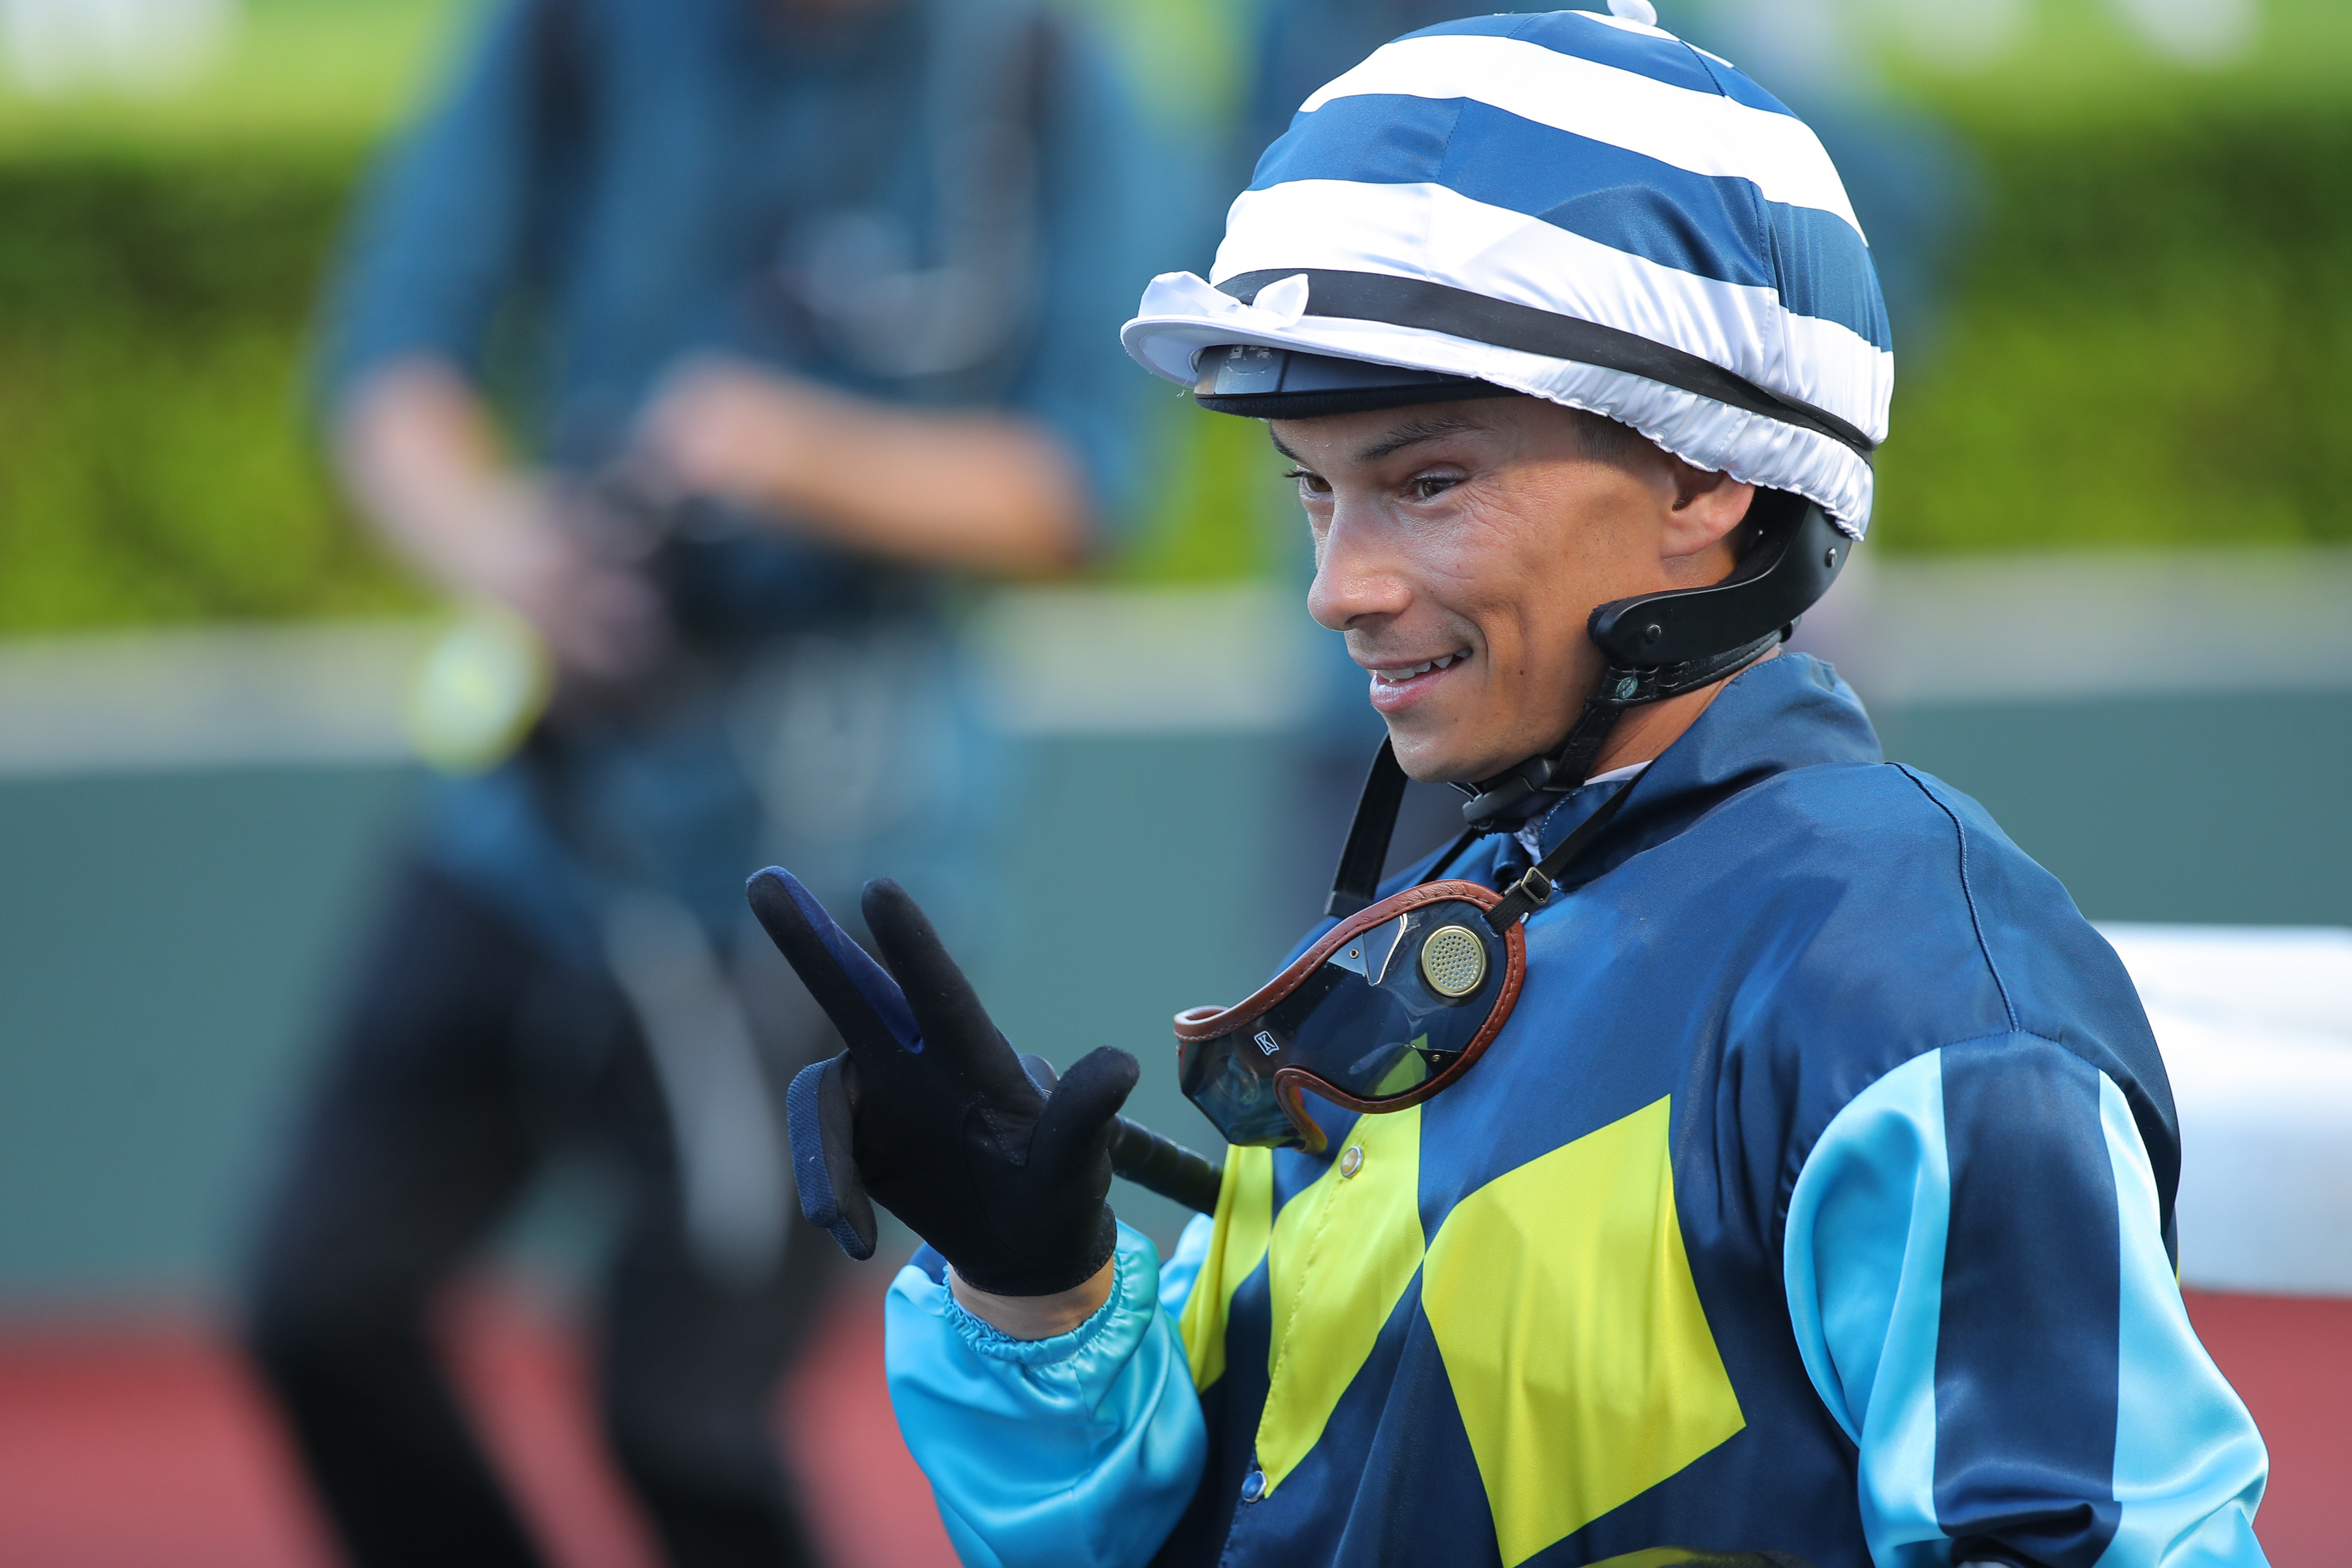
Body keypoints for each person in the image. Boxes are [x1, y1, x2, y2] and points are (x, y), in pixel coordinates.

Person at [742, 5, 2273, 1566]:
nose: (1338, 587)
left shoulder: (1912, 985)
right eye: (1316, 492)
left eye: (1427, 483)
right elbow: (1223, 1528)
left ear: (1704, 474)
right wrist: (1037, 1296)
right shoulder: (1414, 960)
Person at [237, 0, 1161, 1564]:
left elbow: (1082, 488)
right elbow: (391, 367)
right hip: (548, 806)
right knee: (317, 1302)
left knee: (681, 1420)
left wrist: (777, 449)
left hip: (832, 863)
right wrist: (510, 549)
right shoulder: (563, 33)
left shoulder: (1051, 72)